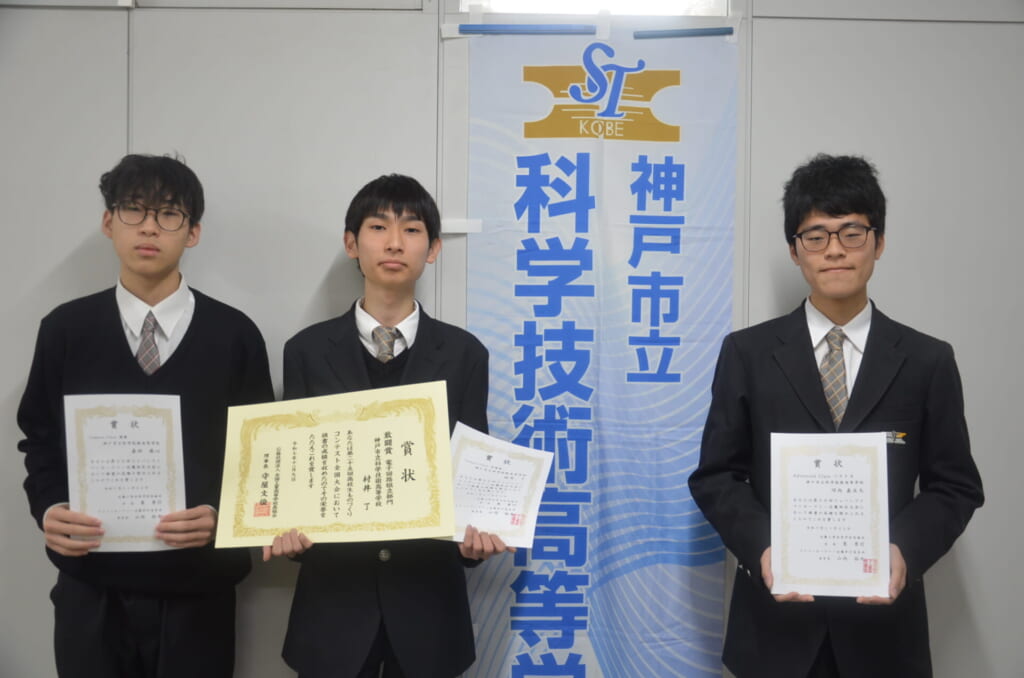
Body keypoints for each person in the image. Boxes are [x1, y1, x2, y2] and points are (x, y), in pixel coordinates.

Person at [687, 154, 984, 678]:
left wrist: (904, 550)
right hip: (775, 633)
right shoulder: (748, 354)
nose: (835, 250)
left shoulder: (927, 360)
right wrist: (763, 548)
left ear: (879, 241)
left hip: (884, 638)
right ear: (795, 250)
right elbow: (716, 476)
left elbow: (955, 486)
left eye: (852, 232)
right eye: (816, 236)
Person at [17, 154, 274, 678]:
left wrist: (225, 516)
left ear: (193, 232)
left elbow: (263, 456)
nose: (150, 227)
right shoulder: (65, 330)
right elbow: (39, 439)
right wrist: (49, 508)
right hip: (91, 587)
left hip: (198, 590)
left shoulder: (235, 335)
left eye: (169, 213)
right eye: (133, 209)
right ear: (108, 222)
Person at [264, 173, 511, 678]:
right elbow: (295, 473)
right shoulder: (305, 351)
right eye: (378, 227)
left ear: (433, 248)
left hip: (428, 607)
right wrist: (282, 532)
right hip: (332, 607)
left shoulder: (465, 354)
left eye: (412, 229)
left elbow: (470, 477)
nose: (395, 242)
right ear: (351, 243)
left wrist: (474, 541)